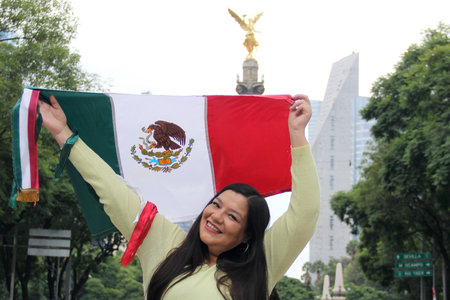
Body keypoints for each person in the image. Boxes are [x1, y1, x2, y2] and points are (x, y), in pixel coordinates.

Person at [38, 94, 320, 300]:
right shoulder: (164, 244)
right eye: (216, 204)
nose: (217, 216)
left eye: (233, 216)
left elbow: (305, 213)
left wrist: (296, 135)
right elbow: (112, 190)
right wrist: (64, 134)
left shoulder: (262, 266)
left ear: (247, 235)